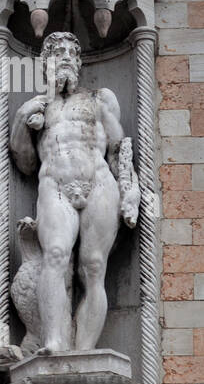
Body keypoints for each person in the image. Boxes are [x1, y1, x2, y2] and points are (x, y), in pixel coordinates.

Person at [10, 31, 138, 353]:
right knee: (55, 256)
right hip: (55, 185)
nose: (65, 56)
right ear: (46, 63)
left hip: (98, 184)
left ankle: (84, 350)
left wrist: (130, 190)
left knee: (94, 267)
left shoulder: (99, 98)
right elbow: (24, 162)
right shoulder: (36, 109)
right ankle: (54, 340)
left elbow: (118, 148)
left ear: (79, 62)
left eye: (71, 52)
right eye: (57, 52)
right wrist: (22, 121)